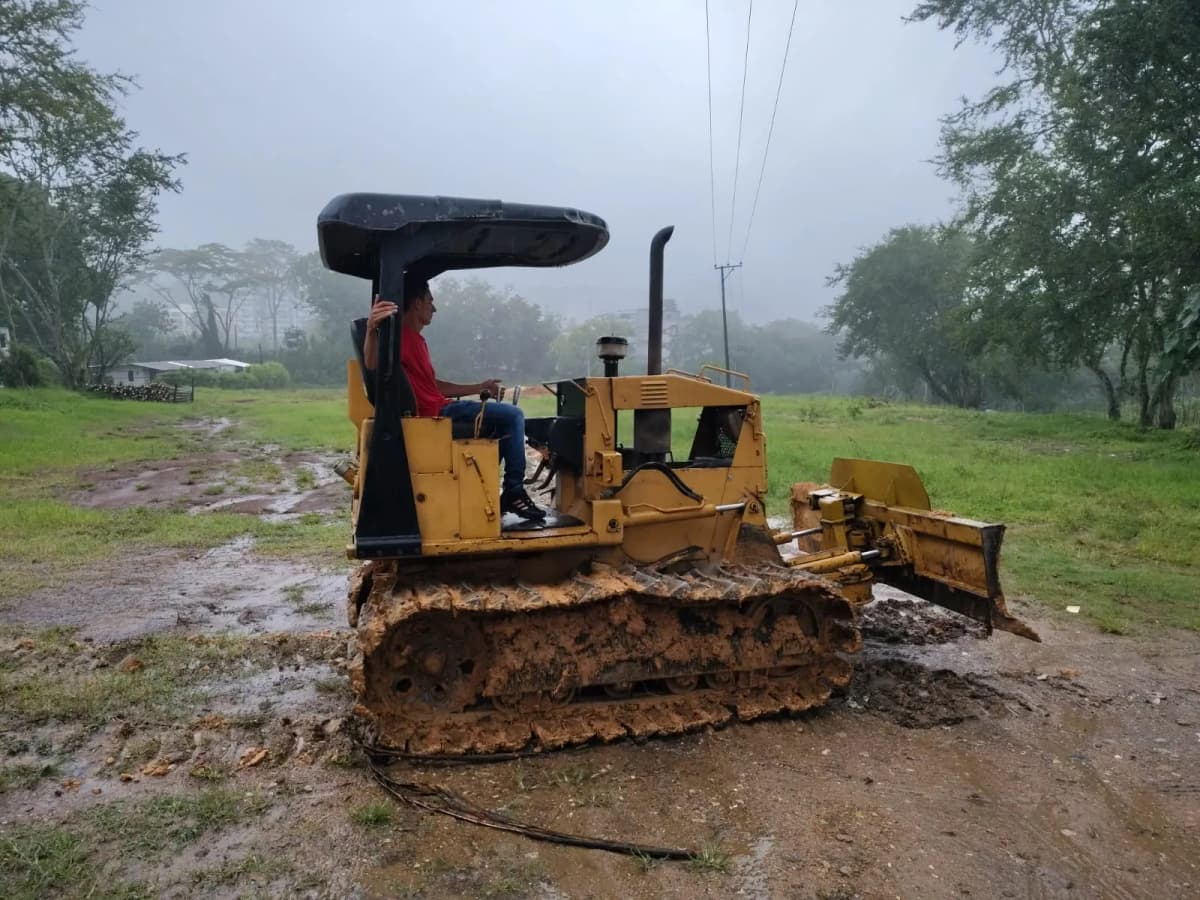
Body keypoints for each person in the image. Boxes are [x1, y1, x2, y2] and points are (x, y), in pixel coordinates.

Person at [362, 278, 546, 520]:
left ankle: (484, 493)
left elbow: (433, 386)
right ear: (417, 304)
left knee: (504, 425)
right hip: (437, 413)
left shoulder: (415, 339)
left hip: (440, 407)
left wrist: (479, 387)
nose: (434, 309)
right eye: (430, 302)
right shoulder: (401, 338)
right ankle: (513, 492)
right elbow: (372, 363)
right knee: (514, 415)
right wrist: (371, 328)